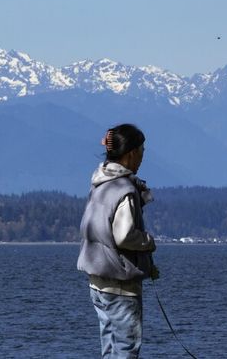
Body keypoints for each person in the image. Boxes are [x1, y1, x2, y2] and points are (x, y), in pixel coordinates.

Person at [77, 123, 157, 359]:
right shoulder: (125, 189)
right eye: (142, 151)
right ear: (131, 153)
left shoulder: (99, 183)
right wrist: (148, 242)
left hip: (97, 282)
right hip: (120, 283)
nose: (142, 157)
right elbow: (124, 235)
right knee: (125, 349)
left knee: (109, 348)